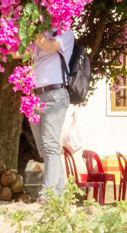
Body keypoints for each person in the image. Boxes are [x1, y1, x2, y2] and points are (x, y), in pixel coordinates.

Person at [29, 28, 75, 199]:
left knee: (50, 145)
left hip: (55, 95)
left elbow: (48, 45)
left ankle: (48, 193)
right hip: (35, 97)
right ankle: (60, 192)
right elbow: (16, 54)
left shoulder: (65, 33)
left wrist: (29, 25)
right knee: (45, 148)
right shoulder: (41, 32)